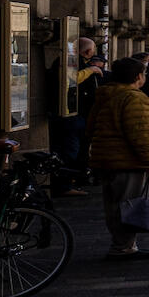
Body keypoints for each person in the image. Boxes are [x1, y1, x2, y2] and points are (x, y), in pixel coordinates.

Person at [88, 57, 149, 259]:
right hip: (129, 161)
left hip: (109, 159)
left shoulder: (107, 95)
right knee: (130, 205)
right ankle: (123, 246)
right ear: (138, 77)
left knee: (116, 206)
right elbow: (142, 134)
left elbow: (91, 127)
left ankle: (122, 244)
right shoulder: (134, 98)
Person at [51, 37, 102, 198]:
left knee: (78, 150)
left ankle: (74, 179)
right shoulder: (69, 61)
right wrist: (91, 70)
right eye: (92, 51)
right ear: (87, 51)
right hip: (70, 114)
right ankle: (63, 185)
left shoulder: (78, 61)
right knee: (69, 151)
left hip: (79, 114)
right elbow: (70, 79)